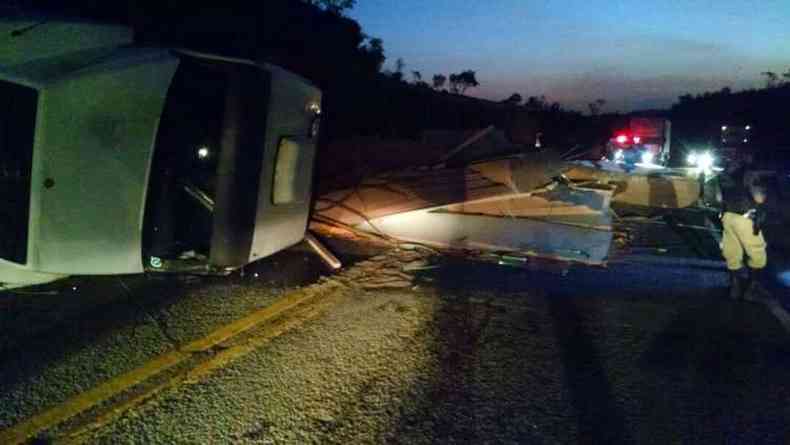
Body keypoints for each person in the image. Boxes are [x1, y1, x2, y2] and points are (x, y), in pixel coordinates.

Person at [716, 157, 768, 301]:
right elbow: (759, 198)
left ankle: (734, 287)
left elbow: (718, 197)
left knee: (732, 253)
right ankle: (751, 290)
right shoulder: (749, 175)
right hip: (746, 219)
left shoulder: (723, 174)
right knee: (757, 254)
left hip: (727, 217)